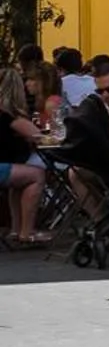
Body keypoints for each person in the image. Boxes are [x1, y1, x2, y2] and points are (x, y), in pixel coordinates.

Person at [0, 105, 48, 245]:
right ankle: (27, 232)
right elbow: (38, 136)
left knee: (21, 175)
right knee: (36, 175)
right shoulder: (8, 114)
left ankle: (16, 230)